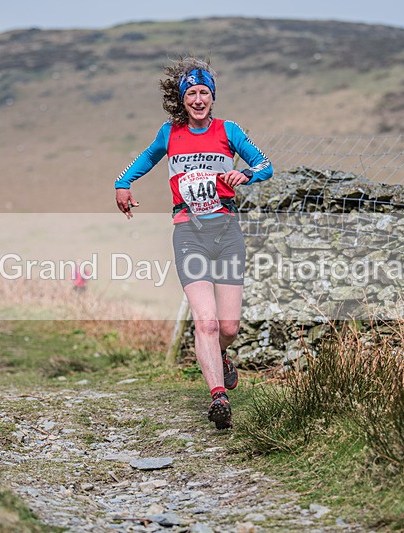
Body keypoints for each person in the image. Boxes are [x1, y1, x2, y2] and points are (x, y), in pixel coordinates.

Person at [114, 57, 273, 429]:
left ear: (212, 97)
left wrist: (244, 174)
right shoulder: (169, 133)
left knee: (228, 327)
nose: (198, 100)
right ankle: (218, 395)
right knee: (206, 323)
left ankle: (219, 359)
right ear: (182, 99)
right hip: (189, 232)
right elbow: (145, 158)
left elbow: (264, 164)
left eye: (204, 93)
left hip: (227, 232)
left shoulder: (228, 130)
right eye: (192, 94)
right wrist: (123, 184)